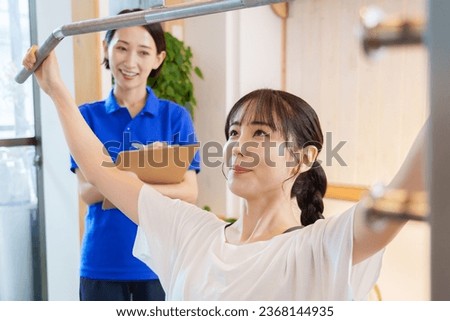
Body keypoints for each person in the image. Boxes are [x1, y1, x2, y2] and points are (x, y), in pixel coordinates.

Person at [22, 43, 427, 300]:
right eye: (234, 132)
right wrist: (56, 89)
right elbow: (100, 169)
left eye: (261, 133)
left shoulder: (321, 247)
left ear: (302, 158)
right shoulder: (192, 231)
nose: (238, 144)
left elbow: (404, 191)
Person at [68, 8, 200, 300]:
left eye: (143, 52)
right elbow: (88, 192)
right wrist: (154, 178)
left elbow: (189, 191)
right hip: (102, 262)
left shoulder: (175, 117)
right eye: (122, 49)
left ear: (158, 59)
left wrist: (117, 178)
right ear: (106, 48)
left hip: (160, 262)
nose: (130, 62)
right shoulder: (86, 118)